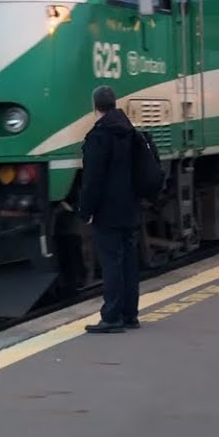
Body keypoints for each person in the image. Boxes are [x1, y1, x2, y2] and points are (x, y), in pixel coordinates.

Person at [78, 85, 141, 333]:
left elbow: (92, 180)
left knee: (112, 262)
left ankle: (112, 316)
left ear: (95, 106)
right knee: (128, 261)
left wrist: (86, 210)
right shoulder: (130, 132)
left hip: (107, 210)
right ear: (114, 104)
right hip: (129, 207)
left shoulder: (99, 136)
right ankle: (130, 315)